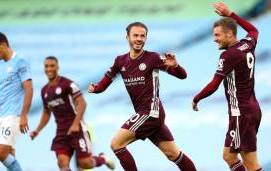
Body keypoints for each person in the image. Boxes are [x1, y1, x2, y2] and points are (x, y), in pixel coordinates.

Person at [87, 22, 197, 171]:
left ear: (146, 38)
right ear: (127, 37)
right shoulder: (120, 61)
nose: (139, 39)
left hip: (151, 112)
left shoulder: (152, 58)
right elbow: (105, 82)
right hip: (146, 114)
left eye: (142, 36)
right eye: (135, 35)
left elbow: (182, 76)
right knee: (173, 154)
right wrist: (96, 88)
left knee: (116, 144)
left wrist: (176, 66)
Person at [192, 2, 263, 171]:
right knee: (229, 155)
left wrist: (196, 98)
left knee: (250, 163)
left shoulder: (229, 55)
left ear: (230, 35)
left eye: (217, 35)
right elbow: (254, 30)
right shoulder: (247, 44)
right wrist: (231, 13)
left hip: (242, 114)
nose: (215, 39)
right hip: (250, 110)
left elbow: (214, 84)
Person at [29, 56, 115, 171]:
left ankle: (103, 159)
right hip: (61, 133)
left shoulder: (68, 84)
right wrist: (37, 130)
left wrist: (75, 124)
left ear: (57, 67)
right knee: (62, 164)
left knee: (85, 164)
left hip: (77, 130)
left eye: (52, 66)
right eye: (46, 66)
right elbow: (46, 112)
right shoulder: (44, 90)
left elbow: (82, 104)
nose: (49, 69)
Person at [0, 31, 33, 171]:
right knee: (8, 155)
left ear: (4, 44)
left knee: (0, 153)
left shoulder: (20, 62)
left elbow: (29, 89)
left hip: (13, 115)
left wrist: (24, 115)